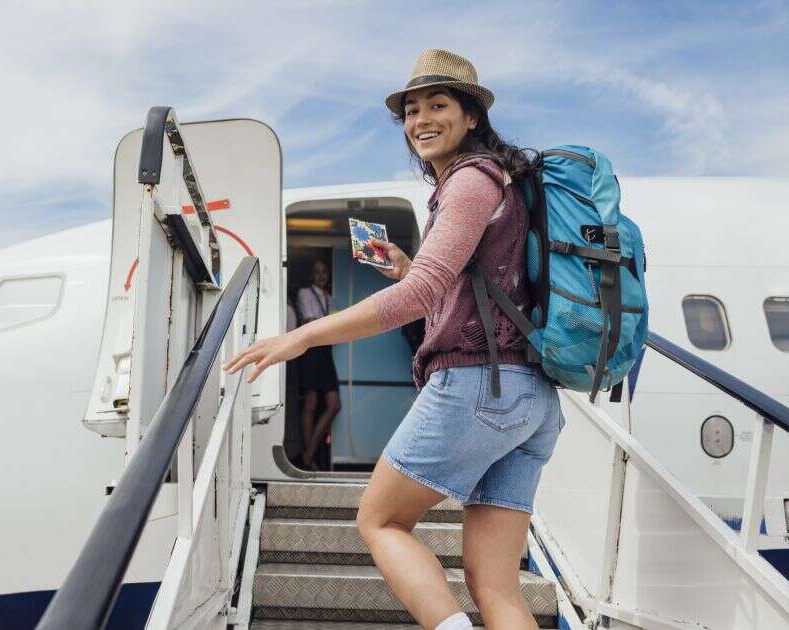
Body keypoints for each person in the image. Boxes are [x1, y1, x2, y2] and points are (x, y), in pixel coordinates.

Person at [227, 48, 563, 630]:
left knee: (379, 523)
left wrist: (303, 335)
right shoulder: (503, 184)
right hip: (532, 399)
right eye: (411, 111)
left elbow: (420, 300)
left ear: (472, 117)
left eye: (438, 105)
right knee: (497, 588)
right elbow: (464, 286)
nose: (421, 120)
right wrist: (412, 268)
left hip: (478, 387)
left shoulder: (469, 181)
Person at [294, 259, 341, 471]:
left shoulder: (330, 298)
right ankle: (309, 458)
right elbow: (308, 321)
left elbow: (335, 326)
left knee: (334, 404)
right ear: (311, 275)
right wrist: (326, 325)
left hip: (325, 351)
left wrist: (325, 325)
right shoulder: (304, 293)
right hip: (311, 350)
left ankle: (307, 454)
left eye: (325, 272)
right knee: (311, 403)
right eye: (317, 271)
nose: (321, 275)